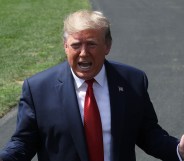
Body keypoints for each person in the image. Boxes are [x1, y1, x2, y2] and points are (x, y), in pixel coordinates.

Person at [0, 9, 184, 161]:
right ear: (65, 46)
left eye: (91, 44)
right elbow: (23, 143)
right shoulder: (38, 89)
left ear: (107, 46)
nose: (83, 53)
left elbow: (148, 134)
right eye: (76, 45)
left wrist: (178, 149)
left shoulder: (131, 82)